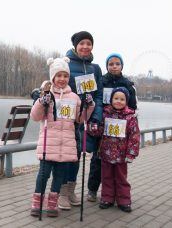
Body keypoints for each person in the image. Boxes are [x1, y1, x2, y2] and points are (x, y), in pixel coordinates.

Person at [30, 57, 95, 217]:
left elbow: (80, 119)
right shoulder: (46, 95)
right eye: (58, 75)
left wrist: (89, 105)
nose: (62, 79)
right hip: (48, 144)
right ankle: (37, 202)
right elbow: (35, 116)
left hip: (65, 145)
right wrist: (41, 102)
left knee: (59, 177)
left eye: (65, 76)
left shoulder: (73, 97)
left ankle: (53, 203)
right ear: (53, 77)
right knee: (43, 175)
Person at [57, 31, 103, 210]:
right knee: (64, 157)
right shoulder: (66, 64)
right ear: (75, 45)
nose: (85, 46)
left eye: (88, 43)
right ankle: (61, 193)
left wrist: (96, 116)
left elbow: (98, 95)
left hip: (85, 119)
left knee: (77, 156)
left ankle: (71, 190)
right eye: (82, 43)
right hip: (67, 118)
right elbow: (56, 83)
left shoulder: (95, 69)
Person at [86, 53, 138, 203]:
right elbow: (95, 100)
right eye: (111, 64)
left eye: (117, 64)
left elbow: (132, 106)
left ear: (122, 66)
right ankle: (93, 189)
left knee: (119, 166)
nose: (114, 66)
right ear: (107, 66)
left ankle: (119, 195)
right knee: (97, 160)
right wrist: (95, 120)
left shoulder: (128, 84)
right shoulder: (101, 81)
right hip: (103, 124)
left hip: (121, 128)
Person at [88, 87, 140, 213]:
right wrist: (94, 128)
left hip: (121, 155)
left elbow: (134, 136)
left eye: (122, 99)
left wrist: (131, 153)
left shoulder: (130, 117)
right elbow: (99, 131)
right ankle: (107, 198)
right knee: (106, 177)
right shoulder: (105, 114)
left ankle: (124, 200)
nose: (118, 101)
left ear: (126, 101)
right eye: (116, 98)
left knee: (121, 178)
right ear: (111, 100)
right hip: (106, 153)